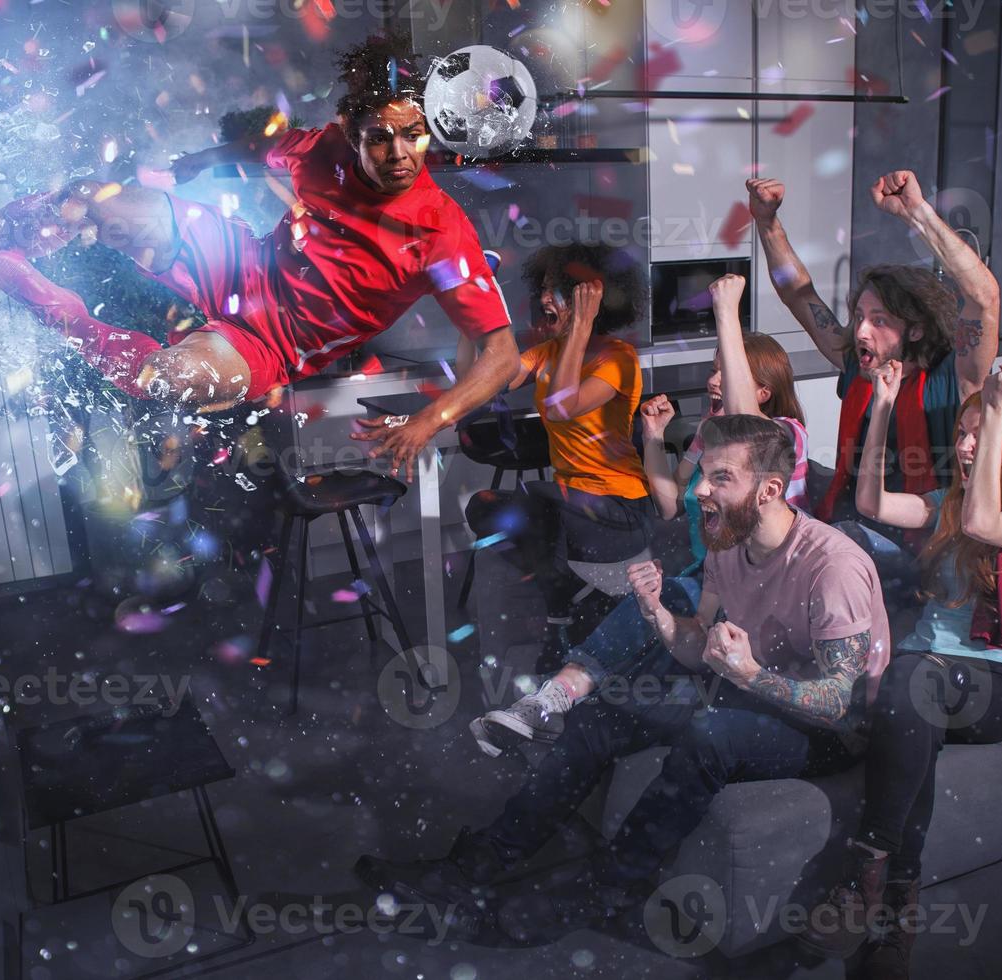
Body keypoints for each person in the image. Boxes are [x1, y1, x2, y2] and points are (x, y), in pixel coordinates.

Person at [356, 415, 892, 943]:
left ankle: (610, 889)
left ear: (770, 489)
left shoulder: (831, 568)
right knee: (600, 717)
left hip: (830, 731)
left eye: (722, 478)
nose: (701, 489)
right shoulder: (728, 541)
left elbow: (838, 706)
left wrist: (749, 674)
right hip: (752, 688)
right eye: (704, 472)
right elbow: (692, 647)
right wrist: (657, 611)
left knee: (712, 735)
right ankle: (473, 866)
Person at [0, 32, 518, 480]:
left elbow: (502, 356)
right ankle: (11, 233)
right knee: (100, 203)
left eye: (414, 135)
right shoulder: (323, 150)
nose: (399, 153)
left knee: (166, 376)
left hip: (269, 348)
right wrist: (203, 160)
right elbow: (260, 147)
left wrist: (427, 422)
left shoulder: (442, 232)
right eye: (380, 138)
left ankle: (57, 307)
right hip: (237, 265)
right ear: (353, 136)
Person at [800, 363, 1002, 979]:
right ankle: (895, 913)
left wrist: (999, 408)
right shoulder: (948, 504)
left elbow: (988, 525)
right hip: (922, 684)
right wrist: (881, 407)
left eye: (977, 436)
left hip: (993, 688)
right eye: (961, 434)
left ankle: (861, 875)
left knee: (912, 682)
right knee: (911, 711)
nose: (962, 446)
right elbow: (871, 502)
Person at [468, 273, 813, 756]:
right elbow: (671, 503)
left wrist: (726, 314)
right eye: (713, 368)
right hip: (709, 575)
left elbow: (747, 439)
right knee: (638, 613)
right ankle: (546, 704)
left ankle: (558, 706)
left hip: (766, 584)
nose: (712, 378)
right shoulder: (712, 431)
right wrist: (652, 438)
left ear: (763, 391)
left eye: (723, 370)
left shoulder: (784, 434)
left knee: (644, 624)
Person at [748, 170, 999, 596]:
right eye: (860, 317)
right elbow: (799, 293)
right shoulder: (858, 364)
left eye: (879, 321)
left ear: (915, 330)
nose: (861, 331)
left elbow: (985, 298)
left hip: (919, 546)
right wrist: (767, 222)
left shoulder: (954, 377)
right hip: (850, 528)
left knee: (834, 543)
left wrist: (916, 213)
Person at [457, 242, 655, 673]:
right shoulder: (547, 353)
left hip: (619, 511)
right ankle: (569, 597)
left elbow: (561, 406)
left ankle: (560, 614)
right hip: (568, 507)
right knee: (484, 507)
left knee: (541, 498)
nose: (545, 299)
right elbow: (477, 381)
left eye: (558, 290)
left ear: (592, 298)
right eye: (544, 289)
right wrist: (471, 312)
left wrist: (582, 326)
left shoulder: (618, 358)